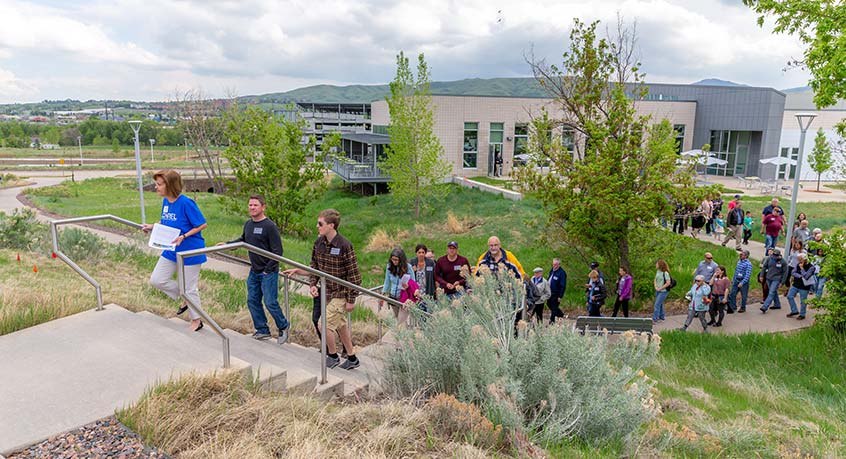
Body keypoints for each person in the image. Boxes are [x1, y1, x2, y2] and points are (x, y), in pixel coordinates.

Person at [283, 209, 362, 370]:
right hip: (326, 292)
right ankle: (352, 357)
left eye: (320, 224)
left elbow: (354, 276)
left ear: (331, 226)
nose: (317, 226)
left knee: (323, 325)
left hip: (341, 293)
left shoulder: (345, 245)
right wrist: (312, 284)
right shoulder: (318, 243)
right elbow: (315, 268)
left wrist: (351, 300)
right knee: (340, 325)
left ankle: (332, 356)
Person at [142, 169, 207, 332]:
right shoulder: (166, 202)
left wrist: (184, 236)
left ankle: (196, 320)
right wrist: (153, 227)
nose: (156, 187)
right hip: (171, 249)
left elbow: (201, 224)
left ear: (170, 185)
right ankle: (184, 296)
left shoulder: (186, 203)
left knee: (189, 288)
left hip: (190, 251)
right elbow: (168, 223)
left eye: (159, 184)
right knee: (157, 279)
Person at [220, 194, 289, 344]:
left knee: (270, 302)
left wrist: (267, 269)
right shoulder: (249, 224)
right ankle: (262, 330)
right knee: (252, 300)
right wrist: (227, 244)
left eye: (255, 205)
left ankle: (283, 326)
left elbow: (278, 251)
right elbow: (243, 240)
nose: (252, 207)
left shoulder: (269, 226)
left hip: (268, 271)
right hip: (254, 270)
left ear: (263, 207)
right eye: (250, 205)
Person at [378, 248, 414, 327]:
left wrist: (408, 286)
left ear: (401, 260)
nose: (394, 262)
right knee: (399, 321)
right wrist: (382, 294)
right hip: (393, 297)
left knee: (400, 322)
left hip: (404, 298)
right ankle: (405, 337)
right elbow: (387, 282)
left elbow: (413, 283)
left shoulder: (408, 267)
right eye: (392, 259)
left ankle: (402, 337)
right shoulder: (389, 266)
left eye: (396, 260)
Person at [786, 253, 815, 320]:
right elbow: (793, 272)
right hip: (795, 284)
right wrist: (800, 276)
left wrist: (802, 268)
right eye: (798, 259)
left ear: (805, 259)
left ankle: (802, 314)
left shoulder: (811, 267)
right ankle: (794, 310)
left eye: (800, 259)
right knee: (789, 296)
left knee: (803, 301)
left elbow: (806, 276)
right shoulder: (798, 264)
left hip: (804, 287)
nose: (799, 261)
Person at [760, 248, 788, 313]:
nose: (774, 257)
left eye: (776, 256)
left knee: (771, 292)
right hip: (768, 278)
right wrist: (761, 275)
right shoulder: (769, 258)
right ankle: (777, 304)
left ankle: (765, 306)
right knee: (773, 291)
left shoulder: (783, 262)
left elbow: (785, 273)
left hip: (776, 279)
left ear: (779, 255)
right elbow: (764, 267)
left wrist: (782, 282)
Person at [546, 258, 567, 323]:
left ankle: (551, 321)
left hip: (556, 293)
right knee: (549, 304)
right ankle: (561, 314)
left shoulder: (562, 273)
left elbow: (563, 285)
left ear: (559, 265)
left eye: (555, 264)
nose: (554, 266)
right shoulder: (552, 270)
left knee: (554, 307)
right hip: (550, 292)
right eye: (553, 264)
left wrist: (560, 296)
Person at [652, 259, 672, 324]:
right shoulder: (658, 271)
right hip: (657, 290)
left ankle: (654, 319)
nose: (656, 265)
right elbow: (655, 279)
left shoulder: (665, 273)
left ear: (660, 265)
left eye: (657, 264)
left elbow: (668, 283)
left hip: (663, 291)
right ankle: (662, 317)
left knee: (656, 305)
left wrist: (660, 288)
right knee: (660, 304)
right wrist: (655, 286)